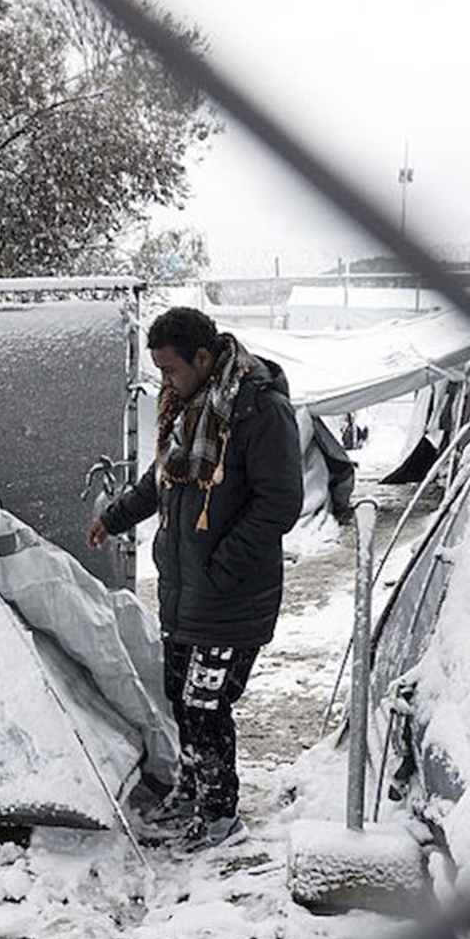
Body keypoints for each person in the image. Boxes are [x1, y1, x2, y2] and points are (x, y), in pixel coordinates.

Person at [88, 307, 303, 851]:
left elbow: (280, 503)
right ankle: (190, 792)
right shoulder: (188, 408)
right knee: (180, 698)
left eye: (172, 370)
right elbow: (163, 479)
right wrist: (113, 517)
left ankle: (219, 814)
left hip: (230, 598)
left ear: (204, 358)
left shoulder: (258, 410)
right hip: (187, 596)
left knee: (207, 707)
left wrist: (222, 564)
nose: (165, 382)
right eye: (158, 371)